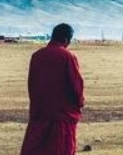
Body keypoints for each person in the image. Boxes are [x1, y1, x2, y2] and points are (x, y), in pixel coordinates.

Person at [21, 23, 84, 155]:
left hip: (40, 112)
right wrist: (79, 103)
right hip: (61, 114)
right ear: (66, 39)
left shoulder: (37, 55)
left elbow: (32, 83)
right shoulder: (67, 56)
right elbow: (76, 85)